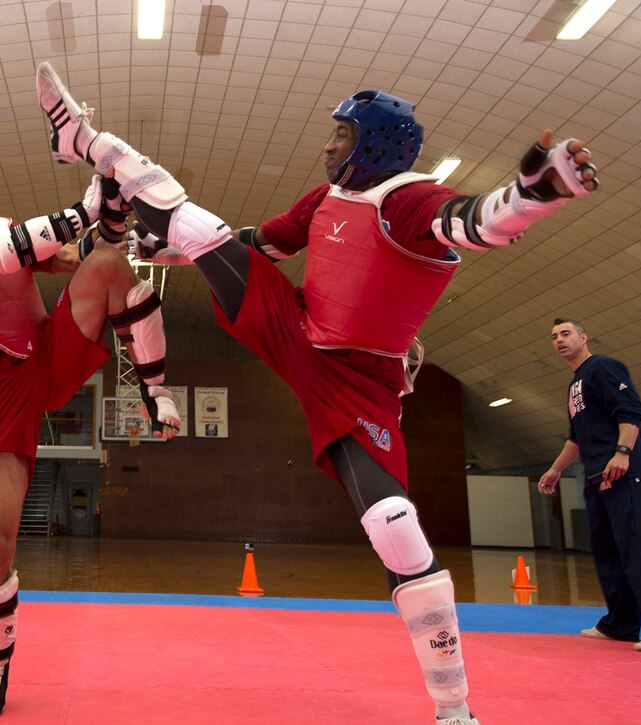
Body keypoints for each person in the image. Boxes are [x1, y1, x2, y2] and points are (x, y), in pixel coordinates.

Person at [36, 62, 599, 724]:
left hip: (361, 379)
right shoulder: (323, 198)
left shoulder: (411, 201)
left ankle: (454, 707)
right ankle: (79, 140)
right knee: (193, 222)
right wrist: (167, 250)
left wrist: (536, 192)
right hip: (294, 324)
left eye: (340, 135)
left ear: (377, 144)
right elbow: (257, 244)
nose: (328, 147)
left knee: (394, 525)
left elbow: (479, 222)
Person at [0, 147, 182, 716]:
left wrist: (130, 233)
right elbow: (0, 256)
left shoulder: (4, 226)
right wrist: (83, 208)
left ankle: (155, 389)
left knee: (109, 266)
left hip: (44, 354)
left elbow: (73, 259)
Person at [539, 319, 641, 651]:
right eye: (554, 337)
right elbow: (576, 437)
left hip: (624, 472)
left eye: (566, 334)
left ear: (583, 337)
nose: (559, 340)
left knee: (636, 547)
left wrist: (623, 452)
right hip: (595, 475)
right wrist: (555, 469)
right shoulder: (575, 383)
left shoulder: (603, 367)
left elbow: (631, 410)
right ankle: (621, 623)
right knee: (607, 552)